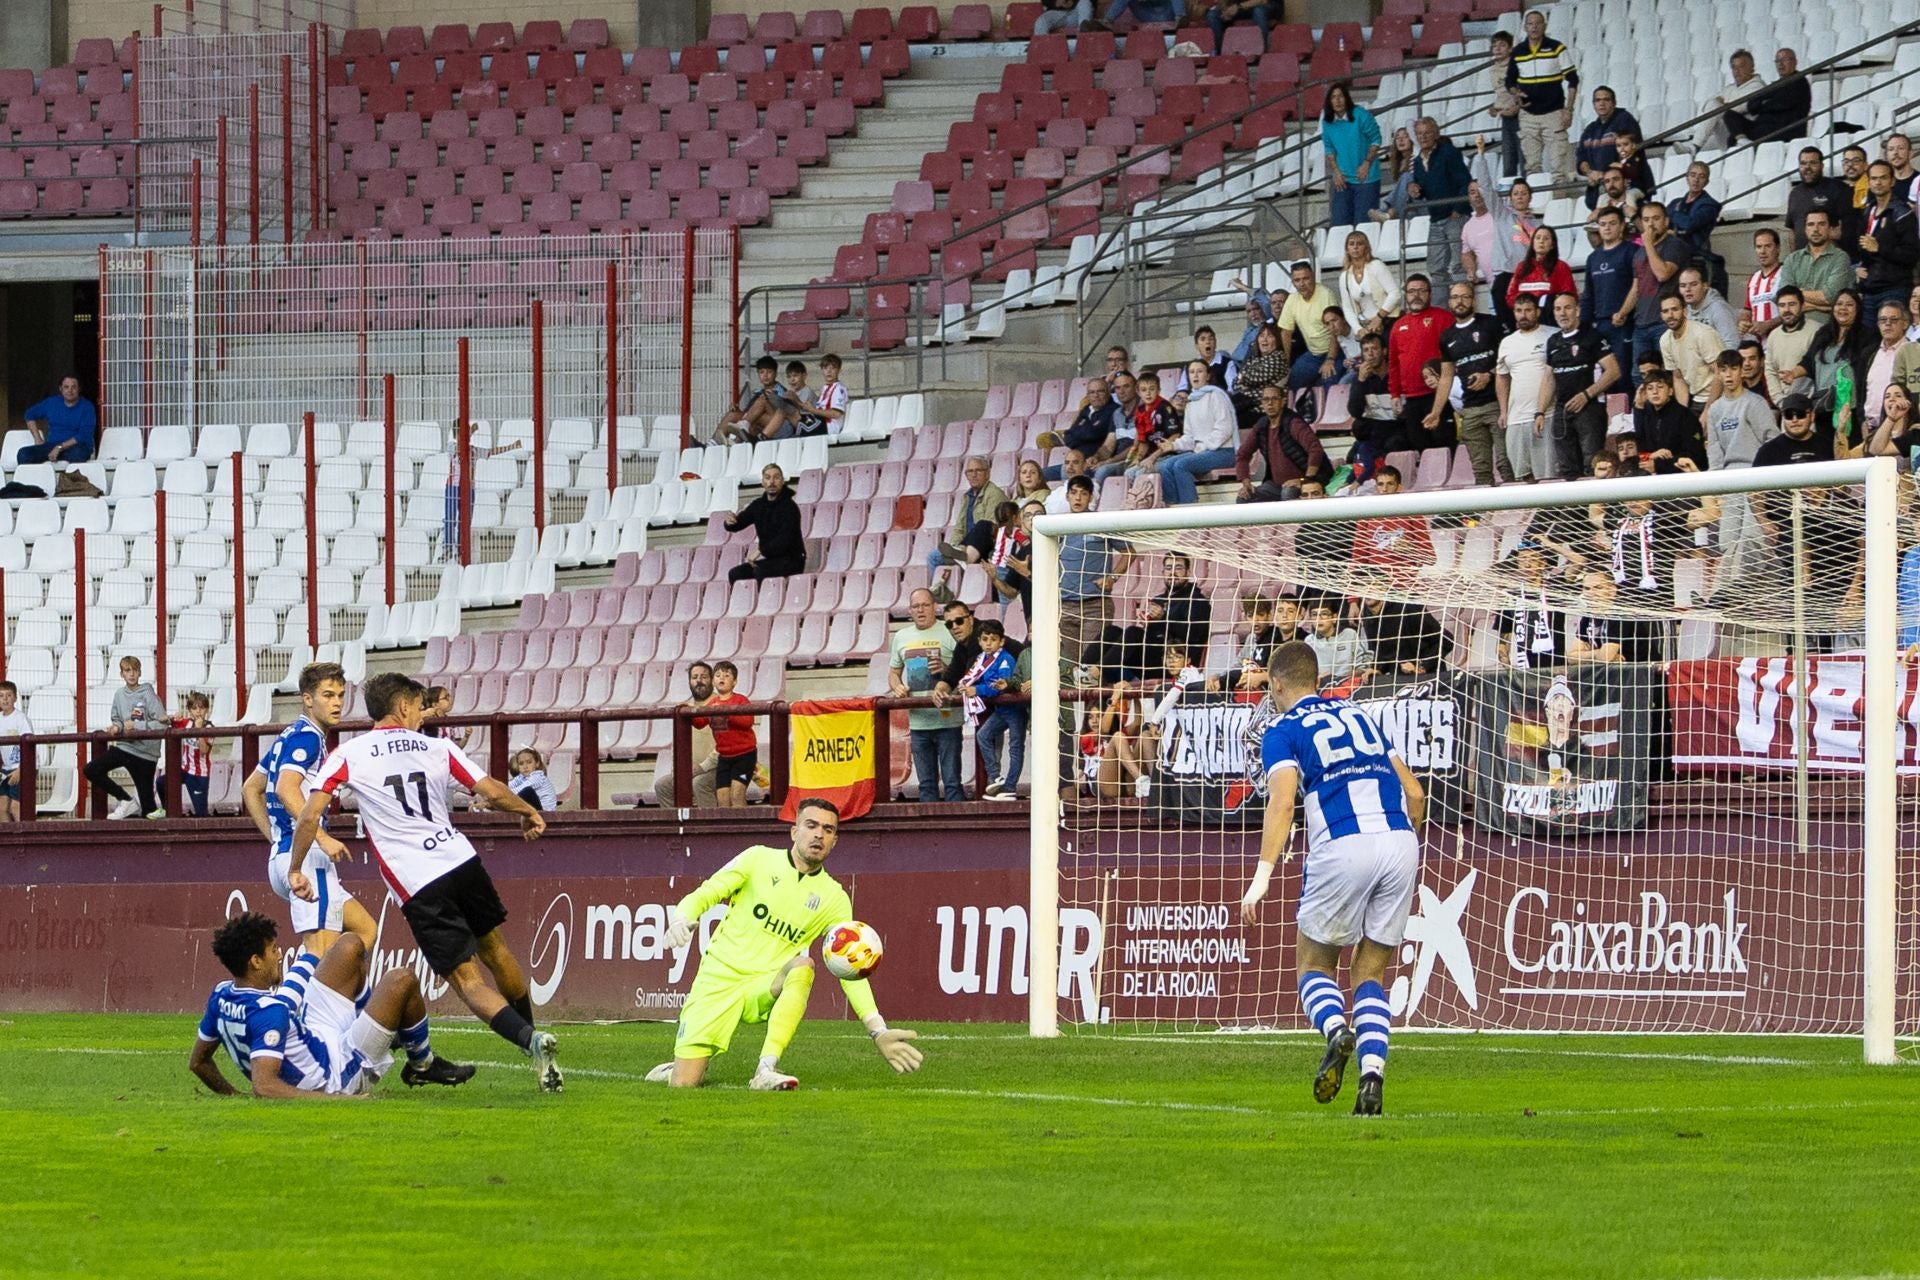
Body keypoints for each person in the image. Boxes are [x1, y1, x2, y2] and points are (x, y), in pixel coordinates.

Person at [289, 673, 560, 1092]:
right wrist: (528, 811)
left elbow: (309, 816)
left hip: (419, 881)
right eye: (418, 706)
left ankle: (532, 1042)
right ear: (401, 707)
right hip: (460, 860)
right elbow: (489, 788)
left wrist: (295, 865)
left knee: (469, 981)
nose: (421, 714)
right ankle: (534, 1045)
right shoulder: (438, 747)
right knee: (498, 951)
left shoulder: (349, 754)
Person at [1239, 640, 1426, 1116]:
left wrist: (1261, 878)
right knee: (1370, 973)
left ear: (1277, 685)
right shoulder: (1361, 716)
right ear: (1317, 680)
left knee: (1315, 966)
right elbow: (1416, 794)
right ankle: (1371, 1077)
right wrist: (1401, 842)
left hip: (1343, 845)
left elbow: (1281, 803)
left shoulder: (1281, 729)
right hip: (1401, 840)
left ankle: (1336, 1031)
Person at [649, 801, 925, 1089]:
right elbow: (707, 893)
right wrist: (682, 917)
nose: (818, 835)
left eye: (828, 829)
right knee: (684, 1085)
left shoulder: (834, 898)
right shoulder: (758, 859)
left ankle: (766, 1068)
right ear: (794, 831)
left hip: (766, 984)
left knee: (802, 966)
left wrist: (877, 1030)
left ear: (834, 841)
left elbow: (850, 968)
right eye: (811, 825)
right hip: (719, 979)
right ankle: (677, 1070)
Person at [189, 914, 474, 1099]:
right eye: (273, 950)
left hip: (315, 1036)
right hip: (338, 1073)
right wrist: (336, 1100)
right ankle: (422, 1065)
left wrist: (232, 1095)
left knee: (349, 944)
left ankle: (372, 1027)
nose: (279, 955)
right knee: (402, 980)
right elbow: (265, 1086)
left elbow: (198, 1062)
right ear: (255, 961)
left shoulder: (222, 994)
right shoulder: (269, 1012)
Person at [240, 662, 375, 954]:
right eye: (328, 695)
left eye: (340, 695)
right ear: (307, 698)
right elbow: (285, 788)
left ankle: (340, 995)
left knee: (365, 929)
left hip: (286, 855)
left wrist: (276, 839)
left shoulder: (290, 734)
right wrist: (320, 837)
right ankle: (303, 997)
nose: (337, 702)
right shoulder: (309, 737)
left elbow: (250, 789)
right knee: (319, 956)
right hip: (308, 859)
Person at [1431, 280, 1509, 485]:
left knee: (1506, 462)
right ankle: (1487, 515)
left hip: (1498, 404)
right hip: (1471, 409)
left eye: (1465, 296)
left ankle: (1516, 514)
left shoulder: (1491, 324)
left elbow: (1509, 358)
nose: (1460, 301)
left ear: (1473, 300)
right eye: (1455, 297)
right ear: (1449, 302)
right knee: (1481, 469)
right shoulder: (1447, 336)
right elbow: (1446, 376)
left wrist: (1488, 375)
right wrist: (1436, 411)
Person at [889, 587, 962, 802]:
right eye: (915, 606)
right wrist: (897, 686)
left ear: (935, 607)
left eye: (925, 605)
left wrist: (946, 666)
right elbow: (894, 673)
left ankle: (959, 829)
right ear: (909, 610)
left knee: (952, 782)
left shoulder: (950, 631)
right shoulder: (902, 636)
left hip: (948, 719)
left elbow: (966, 670)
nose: (920, 610)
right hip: (919, 721)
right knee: (926, 784)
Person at [1056, 477, 1131, 664]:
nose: (1078, 498)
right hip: (1064, 606)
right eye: (1074, 493)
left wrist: (1112, 578)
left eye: (1083, 493)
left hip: (1094, 605)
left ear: (1090, 497)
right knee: (1070, 666)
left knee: (1088, 665)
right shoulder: (1057, 526)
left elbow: (1129, 553)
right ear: (1067, 496)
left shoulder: (1101, 523)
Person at [1546, 291, 1621, 479]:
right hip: (1562, 410)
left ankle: (1596, 508)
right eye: (1557, 309)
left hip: (1590, 407)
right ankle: (1574, 509)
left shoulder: (1593, 336)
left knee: (1592, 464)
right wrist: (1540, 411)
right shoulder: (1552, 341)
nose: (1562, 313)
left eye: (1567, 308)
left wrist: (1586, 395)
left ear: (1577, 310)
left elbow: (1613, 371)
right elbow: (1548, 379)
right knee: (1566, 467)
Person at [84, 655, 167, 820]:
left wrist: (137, 726)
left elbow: (162, 724)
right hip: (125, 747)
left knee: (149, 810)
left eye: (135, 670)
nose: (132, 674)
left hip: (146, 754)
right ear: (121, 674)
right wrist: (117, 727)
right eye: (127, 670)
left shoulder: (148, 693)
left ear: (140, 672)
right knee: (91, 769)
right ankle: (125, 798)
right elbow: (117, 719)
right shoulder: (119, 695)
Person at [1506, 7, 1578, 183]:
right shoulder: (1517, 52)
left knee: (1558, 168)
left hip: (1554, 113)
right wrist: (1516, 94)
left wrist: (1568, 110)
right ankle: (1535, 208)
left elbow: (1573, 80)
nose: (1534, 27)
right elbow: (1509, 82)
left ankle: (1560, 204)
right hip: (1528, 115)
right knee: (1532, 168)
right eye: (1530, 24)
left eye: (1538, 23)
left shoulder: (1557, 48)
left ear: (1544, 26)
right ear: (1524, 27)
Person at [1624, 202, 1693, 380]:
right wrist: (1623, 312)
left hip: (1664, 322)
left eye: (1656, 219)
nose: (1651, 224)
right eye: (1646, 220)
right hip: (1641, 324)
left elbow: (1662, 274)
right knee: (1639, 376)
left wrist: (1648, 244)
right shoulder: (1639, 253)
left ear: (1666, 221)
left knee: (1669, 374)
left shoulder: (1674, 245)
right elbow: (1636, 286)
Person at [1158, 359, 1237, 506]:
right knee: (1164, 466)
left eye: (1200, 371)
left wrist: (1203, 447)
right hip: (1202, 451)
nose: (1195, 375)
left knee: (1181, 465)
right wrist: (1173, 446)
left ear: (1208, 376)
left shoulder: (1216, 396)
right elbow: (1189, 436)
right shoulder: (1191, 402)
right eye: (1192, 372)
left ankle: (1191, 509)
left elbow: (1224, 429)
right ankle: (1173, 508)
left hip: (1223, 452)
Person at [959, 620, 1022, 798]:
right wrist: (966, 686)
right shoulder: (981, 660)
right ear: (979, 641)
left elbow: (1000, 686)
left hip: (1014, 709)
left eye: (993, 639)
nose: (988, 643)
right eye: (985, 639)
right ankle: (996, 777)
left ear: (1001, 642)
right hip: (1001, 710)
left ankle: (1010, 787)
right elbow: (978, 680)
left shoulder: (1006, 659)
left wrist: (976, 690)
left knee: (1015, 747)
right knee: (982, 735)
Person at [1496, 292, 1556, 482]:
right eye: (1519, 311)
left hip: (1546, 414)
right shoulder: (1507, 342)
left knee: (1548, 474)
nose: (1523, 315)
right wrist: (1504, 410)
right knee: (1523, 474)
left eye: (1528, 310)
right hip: (1515, 418)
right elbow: (1502, 377)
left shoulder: (1552, 335)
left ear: (1538, 312)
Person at [1234, 385, 1328, 503]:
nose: (1270, 403)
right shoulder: (1261, 425)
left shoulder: (1294, 423)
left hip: (1306, 482)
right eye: (1266, 399)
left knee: (1288, 493)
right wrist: (1246, 483)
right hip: (1276, 485)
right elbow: (1242, 455)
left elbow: (1315, 449)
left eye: (1274, 399)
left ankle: (1291, 522)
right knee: (1244, 498)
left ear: (1283, 401)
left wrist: (1305, 480)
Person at [1806, 289, 1874, 449]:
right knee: (1827, 458)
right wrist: (1792, 373)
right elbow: (1808, 362)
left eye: (1849, 305)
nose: (1843, 308)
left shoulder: (1868, 336)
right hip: (1824, 408)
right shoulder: (1823, 333)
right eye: (1839, 304)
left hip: (1851, 409)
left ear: (1858, 309)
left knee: (1849, 456)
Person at [1409, 117, 1472, 289]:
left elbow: (1465, 181)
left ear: (1436, 133)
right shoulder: (1416, 161)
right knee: (1436, 269)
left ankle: (1463, 306)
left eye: (1427, 132)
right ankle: (1441, 311)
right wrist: (1414, 190)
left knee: (1459, 265)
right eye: (1419, 133)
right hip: (1435, 220)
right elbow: (1421, 191)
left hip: (1455, 217)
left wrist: (1458, 209)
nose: (1423, 137)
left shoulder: (1449, 152)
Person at [653, 661, 721, 809]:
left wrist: (702, 767)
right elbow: (678, 745)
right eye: (694, 677)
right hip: (691, 770)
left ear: (712, 681)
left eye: (704, 677)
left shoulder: (720, 705)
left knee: (699, 784)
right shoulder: (684, 709)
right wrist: (677, 768)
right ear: (689, 682)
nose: (699, 681)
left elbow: (725, 746)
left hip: (718, 768)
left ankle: (709, 829)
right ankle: (675, 830)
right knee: (663, 786)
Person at [1857, 163, 1919, 318]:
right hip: (1870, 289)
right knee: (1869, 341)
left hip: (1894, 290)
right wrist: (1859, 268)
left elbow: (1911, 255)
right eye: (1874, 178)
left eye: (1883, 178)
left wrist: (1880, 248)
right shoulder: (1868, 210)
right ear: (1869, 182)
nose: (1878, 182)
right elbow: (1863, 248)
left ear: (1892, 181)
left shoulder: (1902, 213)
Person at [927, 456, 1008, 576]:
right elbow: (959, 528)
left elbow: (991, 528)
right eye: (970, 471)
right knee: (934, 557)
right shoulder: (967, 496)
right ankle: (938, 590)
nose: (974, 475)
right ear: (966, 475)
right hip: (966, 547)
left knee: (983, 524)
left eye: (978, 470)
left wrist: (965, 548)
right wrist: (954, 547)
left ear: (987, 473)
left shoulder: (995, 494)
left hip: (988, 547)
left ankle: (965, 558)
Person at [725, 463, 805, 583]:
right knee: (735, 574)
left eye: (776, 477)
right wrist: (729, 523)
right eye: (767, 478)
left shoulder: (790, 507)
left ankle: (765, 601)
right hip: (772, 560)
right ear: (762, 482)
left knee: (761, 571)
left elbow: (784, 539)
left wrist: (760, 551)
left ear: (782, 481)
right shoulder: (758, 505)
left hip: (792, 560)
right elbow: (738, 523)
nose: (771, 482)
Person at [692, 660, 756, 809]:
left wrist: (726, 713)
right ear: (714, 681)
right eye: (718, 675)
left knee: (737, 795)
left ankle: (743, 830)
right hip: (724, 758)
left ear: (734, 682)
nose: (721, 678)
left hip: (744, 756)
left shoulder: (741, 700)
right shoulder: (712, 703)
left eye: (726, 675)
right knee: (723, 799)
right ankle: (728, 830)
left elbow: (748, 722)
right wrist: (687, 713)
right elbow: (700, 723)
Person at [1497, 539, 1568, 669]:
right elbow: (1503, 637)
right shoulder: (1510, 596)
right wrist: (1508, 668)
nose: (1527, 565)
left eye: (1533, 559)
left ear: (1543, 563)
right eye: (1522, 559)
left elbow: (1580, 561)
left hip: (1556, 665)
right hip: (1526, 666)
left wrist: (1549, 542)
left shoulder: (1556, 588)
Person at [1567, 570, 1664, 664]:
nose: (1591, 594)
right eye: (1587, 589)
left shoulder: (1620, 615)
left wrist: (1587, 655)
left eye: (1598, 587)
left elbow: (1605, 657)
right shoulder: (1588, 616)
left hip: (1641, 673)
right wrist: (1597, 653)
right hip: (1615, 674)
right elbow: (1571, 657)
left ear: (1612, 591)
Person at [1320, 82, 1383, 228]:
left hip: (1366, 178)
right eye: (1333, 97)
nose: (1337, 100)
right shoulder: (1327, 122)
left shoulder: (1361, 115)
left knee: (1364, 224)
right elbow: (1329, 149)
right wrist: (1336, 172)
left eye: (1340, 96)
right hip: (1343, 179)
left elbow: (1376, 140)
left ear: (1346, 98)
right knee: (1339, 224)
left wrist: (1367, 163)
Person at [1387, 275, 1446, 430]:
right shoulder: (1398, 326)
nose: (1416, 296)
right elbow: (1393, 364)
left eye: (1421, 291)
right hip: (1411, 397)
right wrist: (1394, 394)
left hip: (1438, 393)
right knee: (1417, 442)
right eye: (1412, 291)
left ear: (1430, 294)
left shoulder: (1443, 318)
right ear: (1406, 295)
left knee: (1442, 441)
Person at [1726, 47, 1810, 146]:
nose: (1780, 64)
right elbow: (1752, 104)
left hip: (1784, 129)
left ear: (1795, 62)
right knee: (1730, 115)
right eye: (1777, 61)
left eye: (1784, 60)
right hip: (1763, 127)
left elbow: (1780, 104)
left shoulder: (1799, 81)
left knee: (1734, 137)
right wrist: (1765, 103)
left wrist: (1763, 103)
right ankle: (1743, 141)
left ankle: (1747, 146)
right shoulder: (1776, 85)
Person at [1277, 261, 1339, 391]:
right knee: (1290, 380)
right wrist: (1285, 365)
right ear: (1293, 282)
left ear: (1313, 277)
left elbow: (1335, 330)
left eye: (1305, 278)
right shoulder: (1292, 300)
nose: (1302, 283)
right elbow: (1285, 333)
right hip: (1313, 354)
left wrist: (1330, 359)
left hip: (1336, 351)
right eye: (1297, 280)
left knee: (1329, 381)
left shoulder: (1326, 294)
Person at [1662, 290, 1729, 411]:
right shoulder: (1665, 340)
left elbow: (1720, 373)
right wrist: (1682, 413)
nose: (1670, 315)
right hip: (1696, 398)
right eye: (1665, 311)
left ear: (1685, 311)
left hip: (1720, 397)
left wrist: (1707, 410)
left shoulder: (1702, 334)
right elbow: (1678, 378)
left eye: (1674, 309)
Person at [1632, 369, 1709, 474]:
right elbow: (1641, 448)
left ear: (1670, 391)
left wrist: (1658, 465)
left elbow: (1695, 455)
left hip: (1681, 476)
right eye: (1650, 388)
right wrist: (1639, 407)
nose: (1655, 392)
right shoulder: (1646, 416)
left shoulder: (1685, 416)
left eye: (1660, 387)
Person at [1576, 87, 1639, 209]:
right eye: (1598, 100)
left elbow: (1630, 154)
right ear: (1593, 104)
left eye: (1606, 99)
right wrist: (1590, 173)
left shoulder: (1625, 120)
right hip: (1598, 194)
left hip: (1625, 190)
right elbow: (1581, 157)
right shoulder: (1590, 129)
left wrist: (1605, 174)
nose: (1602, 103)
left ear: (1614, 103)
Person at [1355, 593, 1448, 676]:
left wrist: (1422, 666)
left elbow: (1445, 639)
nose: (1368, 591)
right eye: (1365, 587)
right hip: (1398, 681)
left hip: (1429, 677)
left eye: (1374, 586)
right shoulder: (1367, 616)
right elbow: (1383, 653)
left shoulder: (1408, 607)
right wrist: (1377, 669)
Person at [1697, 48, 1768, 152]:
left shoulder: (1758, 86)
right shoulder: (1729, 88)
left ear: (1752, 68)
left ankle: (1695, 146)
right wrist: (1723, 104)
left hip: (1746, 132)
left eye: (1741, 66)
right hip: (1726, 134)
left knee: (1717, 108)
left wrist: (1722, 103)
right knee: (1671, 152)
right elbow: (1706, 106)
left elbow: (1737, 108)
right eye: (1734, 67)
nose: (1736, 71)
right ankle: (1694, 146)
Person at [1785, 147, 1853, 252]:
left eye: (1813, 163)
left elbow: (1848, 228)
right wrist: (1793, 257)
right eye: (1803, 163)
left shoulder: (1838, 189)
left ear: (1822, 166)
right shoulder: (1794, 193)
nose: (1807, 167)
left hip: (1830, 260)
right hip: (1802, 261)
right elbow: (1792, 230)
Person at [18, 375, 97, 466]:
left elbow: (84, 435)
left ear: (79, 389)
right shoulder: (52, 402)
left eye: (73, 387)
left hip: (76, 447)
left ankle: (56, 457)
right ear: (60, 388)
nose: (70, 391)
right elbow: (29, 414)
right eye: (66, 387)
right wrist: (37, 438)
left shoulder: (87, 407)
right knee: (23, 454)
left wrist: (60, 447)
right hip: (52, 445)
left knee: (78, 454)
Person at [1336, 230, 1400, 340]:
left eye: (1359, 244)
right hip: (1366, 327)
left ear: (1366, 247)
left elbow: (1395, 293)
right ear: (1347, 249)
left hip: (1386, 321)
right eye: (1351, 244)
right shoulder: (1344, 276)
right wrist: (1358, 329)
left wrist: (1379, 317)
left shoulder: (1376, 265)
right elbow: (1347, 307)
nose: (1355, 247)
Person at [715, 356, 791, 445]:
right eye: (762, 372)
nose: (765, 375)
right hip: (758, 425)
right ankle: (712, 443)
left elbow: (782, 415)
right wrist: (738, 411)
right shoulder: (758, 392)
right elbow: (749, 414)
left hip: (778, 427)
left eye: (769, 372)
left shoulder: (782, 392)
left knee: (762, 401)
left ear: (775, 374)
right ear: (758, 374)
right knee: (733, 414)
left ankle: (737, 435)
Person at [1764, 285, 1820, 403]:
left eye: (1792, 304)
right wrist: (1779, 400)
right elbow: (1770, 371)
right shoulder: (1774, 335)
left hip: (1812, 405)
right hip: (1785, 407)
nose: (1787, 310)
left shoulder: (1817, 331)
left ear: (1803, 306)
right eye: (1782, 305)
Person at [165, 690, 215, 818]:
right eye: (194, 708)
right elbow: (166, 722)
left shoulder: (210, 727)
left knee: (201, 813)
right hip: (184, 769)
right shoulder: (186, 723)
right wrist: (173, 717)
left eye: (202, 708)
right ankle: (167, 810)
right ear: (189, 710)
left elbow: (204, 751)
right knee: (161, 782)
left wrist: (199, 730)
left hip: (199, 774)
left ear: (207, 710)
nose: (198, 711)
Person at [1506, 225, 1575, 316]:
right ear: (1532, 242)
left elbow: (1568, 295)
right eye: (1538, 238)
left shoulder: (1561, 267)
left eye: (1546, 238)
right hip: (1525, 319)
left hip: (1549, 317)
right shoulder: (1521, 267)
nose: (1541, 241)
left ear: (1552, 245)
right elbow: (1510, 297)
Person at [1304, 600, 1371, 684]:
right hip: (1321, 687)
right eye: (1314, 615)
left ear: (1334, 618)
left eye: (1324, 614)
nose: (1318, 619)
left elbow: (1363, 667)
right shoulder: (1309, 641)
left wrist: (1338, 678)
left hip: (1349, 684)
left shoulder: (1349, 635)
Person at [1742, 229, 1785, 337]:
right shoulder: (1753, 278)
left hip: (1780, 340)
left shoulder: (1786, 274)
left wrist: (1768, 324)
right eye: (1759, 247)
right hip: (1758, 347)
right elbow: (1748, 310)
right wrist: (1743, 322)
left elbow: (1794, 310)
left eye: (1768, 246)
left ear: (1778, 248)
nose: (1762, 251)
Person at [0, 680, 31, 822]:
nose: (5, 699)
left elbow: (29, 746)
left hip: (20, 768)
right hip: (6, 769)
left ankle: (24, 839)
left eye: (8, 695)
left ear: (15, 698)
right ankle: (7, 842)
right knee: (2, 808)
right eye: (1, 696)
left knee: (15, 807)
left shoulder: (21, 719)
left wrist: (20, 769)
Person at [1208, 0, 1278, 53]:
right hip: (1240, 7)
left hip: (1265, 5)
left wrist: (1238, 7)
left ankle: (1262, 52)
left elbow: (1263, 1)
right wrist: (1225, 10)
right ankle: (1220, 54)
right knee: (1213, 15)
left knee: (1259, 12)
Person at [422, 684, 470, 751]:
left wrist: (466, 736)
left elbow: (457, 748)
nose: (450, 699)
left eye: (449, 696)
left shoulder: (451, 722)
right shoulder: (425, 722)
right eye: (446, 697)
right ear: (435, 704)